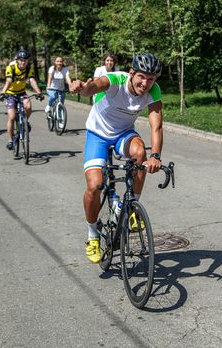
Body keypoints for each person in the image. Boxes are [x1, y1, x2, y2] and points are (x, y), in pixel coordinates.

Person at [70, 52, 163, 264]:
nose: (145, 83)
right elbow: (94, 86)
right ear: (131, 73)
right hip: (98, 134)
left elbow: (156, 125)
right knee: (95, 186)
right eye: (141, 77)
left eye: (151, 79)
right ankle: (92, 235)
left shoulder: (153, 91)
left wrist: (156, 156)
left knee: (141, 153)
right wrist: (83, 89)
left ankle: (132, 207)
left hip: (123, 133)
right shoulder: (116, 80)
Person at [0, 49, 43, 150]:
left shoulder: (29, 68)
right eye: (21, 60)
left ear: (28, 61)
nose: (23, 62)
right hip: (10, 93)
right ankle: (10, 140)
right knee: (11, 116)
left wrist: (38, 92)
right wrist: (3, 92)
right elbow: (9, 80)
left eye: (25, 60)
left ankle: (25, 122)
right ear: (17, 60)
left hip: (21, 92)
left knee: (28, 107)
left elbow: (32, 80)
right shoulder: (11, 67)